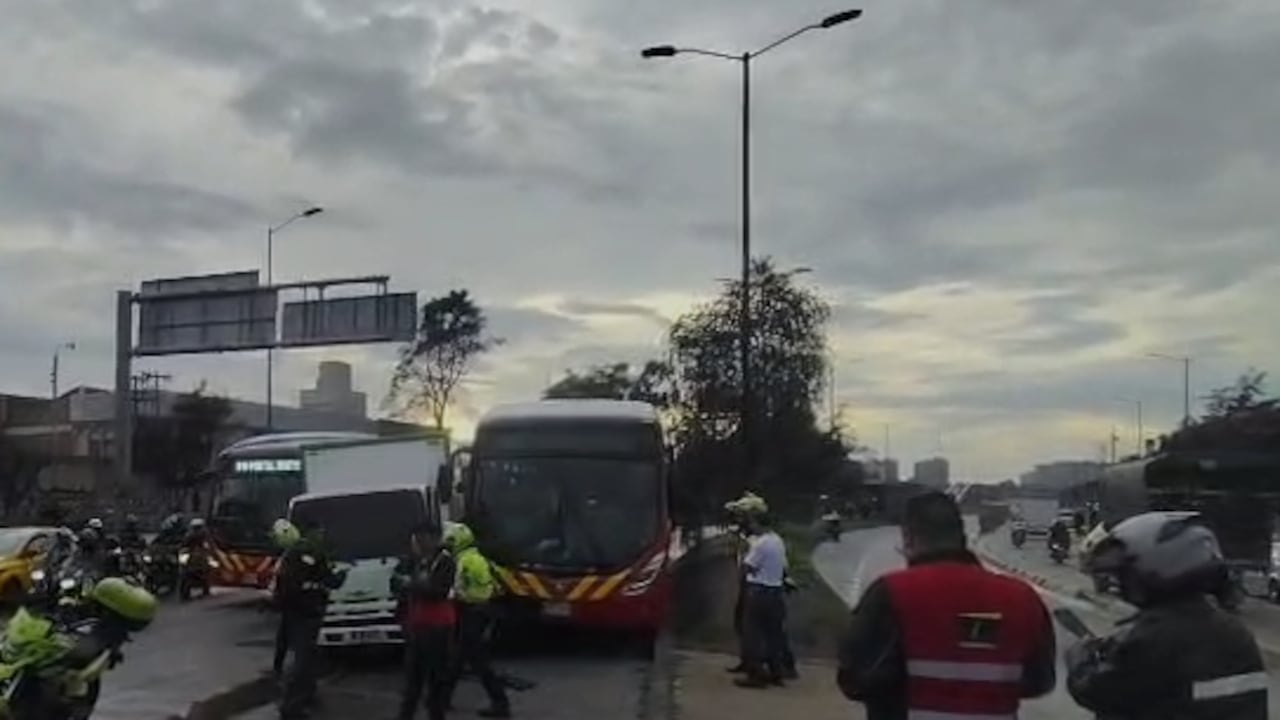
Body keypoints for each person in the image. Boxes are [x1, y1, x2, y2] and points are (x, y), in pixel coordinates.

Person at [837, 491, 1056, 720]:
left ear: (909, 539)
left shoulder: (890, 593)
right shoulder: (1023, 598)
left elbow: (854, 680)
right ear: (961, 537)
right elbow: (1039, 682)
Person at [1066, 511, 1267, 719]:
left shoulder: (1152, 638)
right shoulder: (1237, 633)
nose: (1120, 583)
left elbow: (1096, 692)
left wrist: (1079, 658)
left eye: (1126, 573)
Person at [275, 517, 344, 720]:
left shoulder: (311, 554)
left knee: (309, 658)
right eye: (319, 533)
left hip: (306, 613)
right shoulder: (303, 554)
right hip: (301, 614)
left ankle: (306, 696)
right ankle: (290, 706)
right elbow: (315, 582)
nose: (321, 537)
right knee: (302, 661)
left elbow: (326, 579)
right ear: (310, 534)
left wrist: (336, 579)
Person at [443, 522, 510, 718]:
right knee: (459, 658)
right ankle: (443, 698)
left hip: (472, 612)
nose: (447, 546)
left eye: (449, 542)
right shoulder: (475, 558)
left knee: (477, 661)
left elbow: (468, 591)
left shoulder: (466, 561)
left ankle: (500, 703)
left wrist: (455, 596)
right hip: (478, 612)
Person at [392, 522, 458, 720]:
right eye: (415, 539)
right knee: (412, 680)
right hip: (416, 626)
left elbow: (438, 591)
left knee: (436, 678)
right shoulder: (415, 561)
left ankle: (436, 714)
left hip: (438, 626)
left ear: (434, 538)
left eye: (422, 539)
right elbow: (401, 589)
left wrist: (411, 585)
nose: (418, 543)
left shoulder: (444, 562)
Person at [734, 510, 791, 688]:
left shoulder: (761, 544)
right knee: (773, 635)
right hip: (775, 591)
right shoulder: (778, 541)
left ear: (759, 524)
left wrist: (742, 560)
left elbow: (748, 567)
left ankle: (756, 675)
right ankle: (776, 672)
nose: (751, 526)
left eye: (753, 523)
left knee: (753, 634)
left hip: (759, 591)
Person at [270, 519, 303, 679]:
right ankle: (281, 669)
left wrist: (278, 599)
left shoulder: (293, 556)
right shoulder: (287, 555)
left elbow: (285, 580)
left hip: (294, 604)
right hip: (291, 604)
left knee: (290, 638)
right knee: (285, 638)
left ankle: (295, 673)